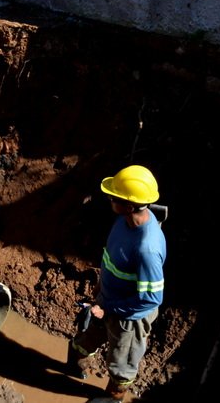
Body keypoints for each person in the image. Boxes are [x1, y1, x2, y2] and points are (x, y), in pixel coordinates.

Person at [66, 165, 167, 402]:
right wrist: (102, 285)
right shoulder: (125, 222)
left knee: (122, 365)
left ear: (130, 206)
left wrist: (109, 309)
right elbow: (111, 256)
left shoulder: (147, 248)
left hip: (130, 318)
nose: (110, 199)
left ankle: (113, 397)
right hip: (108, 299)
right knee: (86, 339)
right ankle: (74, 365)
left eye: (114, 196)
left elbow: (152, 299)